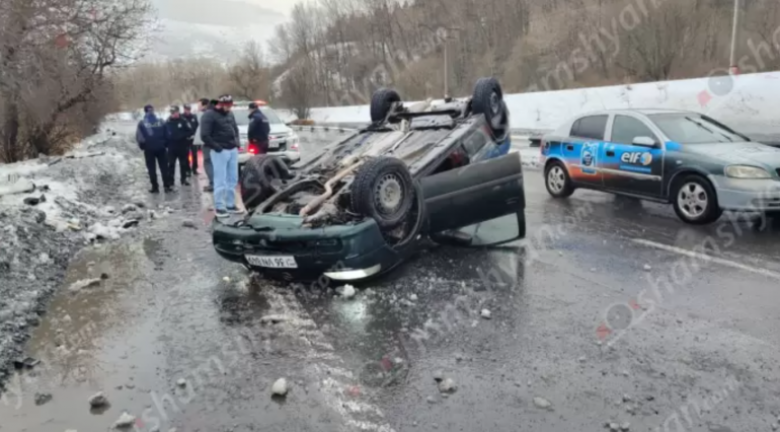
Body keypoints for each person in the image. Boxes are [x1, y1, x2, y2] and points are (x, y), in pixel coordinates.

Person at [200, 94, 243, 218]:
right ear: (220, 104)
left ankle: (230, 204)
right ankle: (219, 206)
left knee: (233, 179)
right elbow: (205, 135)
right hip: (220, 151)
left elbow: (235, 129)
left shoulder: (230, 113)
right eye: (227, 105)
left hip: (232, 149)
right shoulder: (209, 115)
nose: (229, 108)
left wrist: (237, 143)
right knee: (220, 179)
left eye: (230, 105)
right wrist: (217, 147)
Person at [136, 104, 172, 193]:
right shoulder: (161, 121)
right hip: (161, 148)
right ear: (153, 111)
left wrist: (143, 147)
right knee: (164, 168)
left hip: (149, 149)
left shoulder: (142, 123)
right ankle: (167, 186)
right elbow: (168, 134)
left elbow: (140, 138)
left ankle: (155, 187)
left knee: (151, 169)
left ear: (145, 111)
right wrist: (165, 144)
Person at [165, 105, 194, 186]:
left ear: (178, 112)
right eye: (172, 113)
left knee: (183, 164)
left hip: (182, 146)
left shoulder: (183, 121)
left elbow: (190, 131)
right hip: (172, 147)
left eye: (175, 112)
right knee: (171, 164)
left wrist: (182, 135)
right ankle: (171, 181)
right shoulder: (167, 121)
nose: (173, 114)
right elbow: (164, 133)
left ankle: (183, 179)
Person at [199, 98, 216, 192]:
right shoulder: (217, 112)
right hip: (217, 143)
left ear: (204, 105)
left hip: (209, 144)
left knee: (208, 162)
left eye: (199, 105)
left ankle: (213, 183)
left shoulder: (206, 115)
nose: (198, 107)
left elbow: (204, 133)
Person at [182, 104, 199, 176]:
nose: (187, 111)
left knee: (194, 154)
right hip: (185, 139)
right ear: (184, 109)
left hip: (193, 138)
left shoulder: (194, 117)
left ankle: (194, 169)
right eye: (186, 109)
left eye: (188, 109)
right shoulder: (181, 117)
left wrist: (195, 135)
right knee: (186, 155)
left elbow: (197, 127)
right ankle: (187, 170)